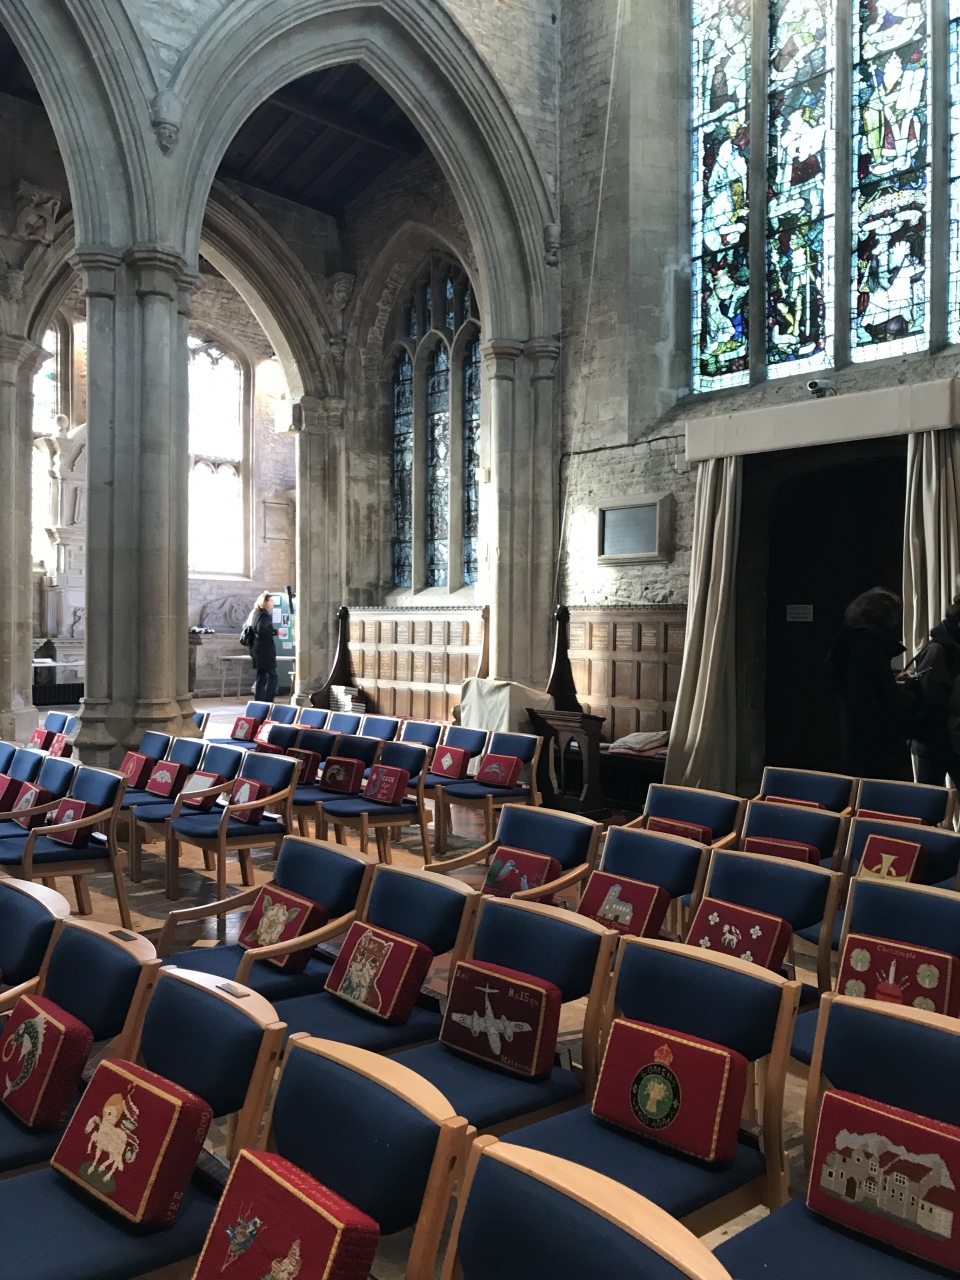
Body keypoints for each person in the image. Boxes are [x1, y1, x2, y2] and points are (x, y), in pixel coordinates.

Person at [827, 587, 917, 781]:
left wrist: (893, 684)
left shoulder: (856, 641)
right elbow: (864, 696)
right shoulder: (865, 644)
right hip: (874, 742)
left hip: (863, 740)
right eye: (893, 615)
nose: (896, 621)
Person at [910, 600, 960, 787]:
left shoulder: (950, 648)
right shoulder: (937, 650)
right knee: (930, 798)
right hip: (936, 741)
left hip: (949, 739)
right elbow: (933, 699)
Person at [243, 592, 279, 704]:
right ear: (265, 602)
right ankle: (268, 700)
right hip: (265, 651)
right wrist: (276, 632)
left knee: (262, 676)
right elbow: (262, 629)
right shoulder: (264, 615)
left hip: (256, 649)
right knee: (273, 676)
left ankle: (259, 701)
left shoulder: (255, 613)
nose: (273, 603)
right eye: (271, 601)